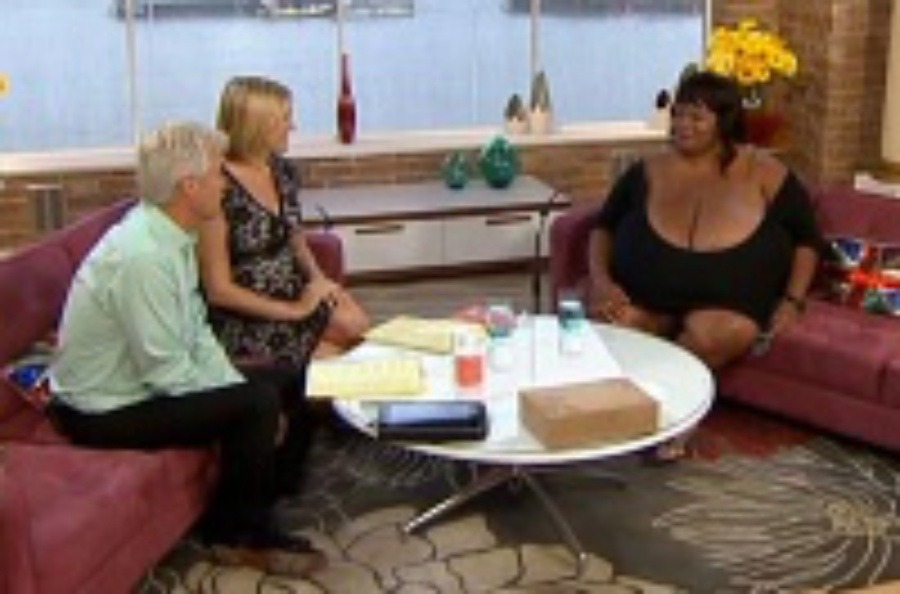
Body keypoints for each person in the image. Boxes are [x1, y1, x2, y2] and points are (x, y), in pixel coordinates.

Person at [47, 122, 325, 577]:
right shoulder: (142, 256)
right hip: (103, 408)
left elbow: (195, 333)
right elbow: (166, 372)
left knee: (289, 378)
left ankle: (265, 495)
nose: (224, 185)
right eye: (217, 174)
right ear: (189, 186)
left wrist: (232, 383)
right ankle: (235, 535)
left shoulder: (174, 234)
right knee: (256, 404)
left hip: (144, 382)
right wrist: (242, 398)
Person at [587, 71, 822, 456]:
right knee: (617, 322)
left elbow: (807, 240)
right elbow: (603, 228)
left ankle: (669, 416)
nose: (683, 125)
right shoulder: (645, 171)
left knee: (719, 334)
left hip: (727, 303)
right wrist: (601, 281)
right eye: (678, 114)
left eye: (696, 117)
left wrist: (793, 302)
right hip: (644, 294)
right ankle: (627, 409)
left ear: (724, 122)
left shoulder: (766, 173)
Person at [199, 75, 370, 367]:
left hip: (294, 290)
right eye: (284, 119)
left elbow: (295, 236)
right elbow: (219, 290)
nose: (293, 126)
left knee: (359, 328)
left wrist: (319, 279)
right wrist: (295, 310)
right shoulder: (216, 184)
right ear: (256, 126)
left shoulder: (282, 170)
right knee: (339, 362)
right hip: (249, 312)